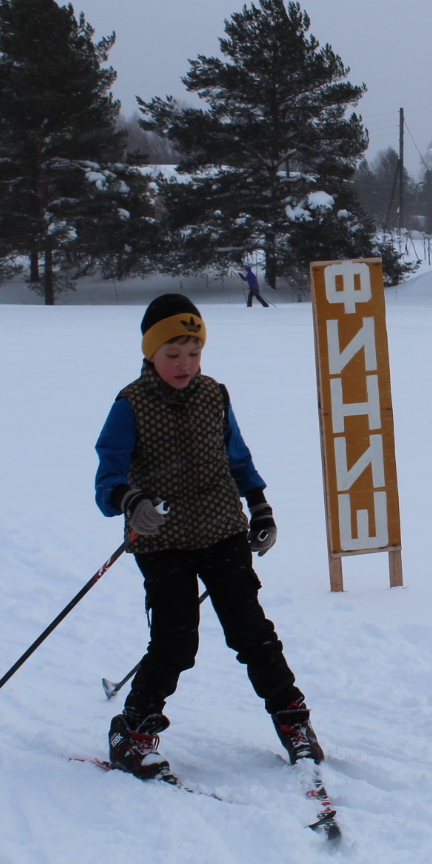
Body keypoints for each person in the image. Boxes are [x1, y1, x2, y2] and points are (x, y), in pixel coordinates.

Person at [92, 292, 314, 779]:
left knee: (252, 632)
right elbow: (107, 476)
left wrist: (259, 506)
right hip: (162, 540)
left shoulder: (216, 395)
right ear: (151, 352)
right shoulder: (130, 406)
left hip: (221, 531)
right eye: (173, 354)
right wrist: (131, 502)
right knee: (175, 644)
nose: (185, 364)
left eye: (194, 353)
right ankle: (131, 732)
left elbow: (238, 458)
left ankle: (293, 720)